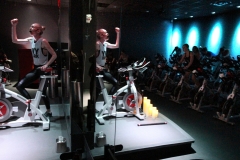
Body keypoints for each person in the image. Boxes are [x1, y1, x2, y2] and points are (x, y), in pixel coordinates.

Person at [11, 18, 57, 117]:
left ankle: (49, 111)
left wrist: (46, 65)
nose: (30, 28)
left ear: (38, 30)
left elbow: (54, 55)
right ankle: (34, 106)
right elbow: (15, 40)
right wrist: (14, 26)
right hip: (36, 68)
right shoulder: (31, 39)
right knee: (20, 85)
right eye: (31, 26)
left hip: (43, 70)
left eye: (33, 26)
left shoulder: (43, 41)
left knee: (43, 92)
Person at [95, 27, 120, 99]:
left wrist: (118, 33)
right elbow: (92, 58)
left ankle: (108, 101)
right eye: (105, 33)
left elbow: (116, 46)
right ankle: (92, 105)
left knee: (116, 83)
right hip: (97, 70)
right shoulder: (97, 44)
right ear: (101, 35)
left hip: (102, 69)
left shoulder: (105, 44)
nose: (107, 34)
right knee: (98, 88)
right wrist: (97, 66)